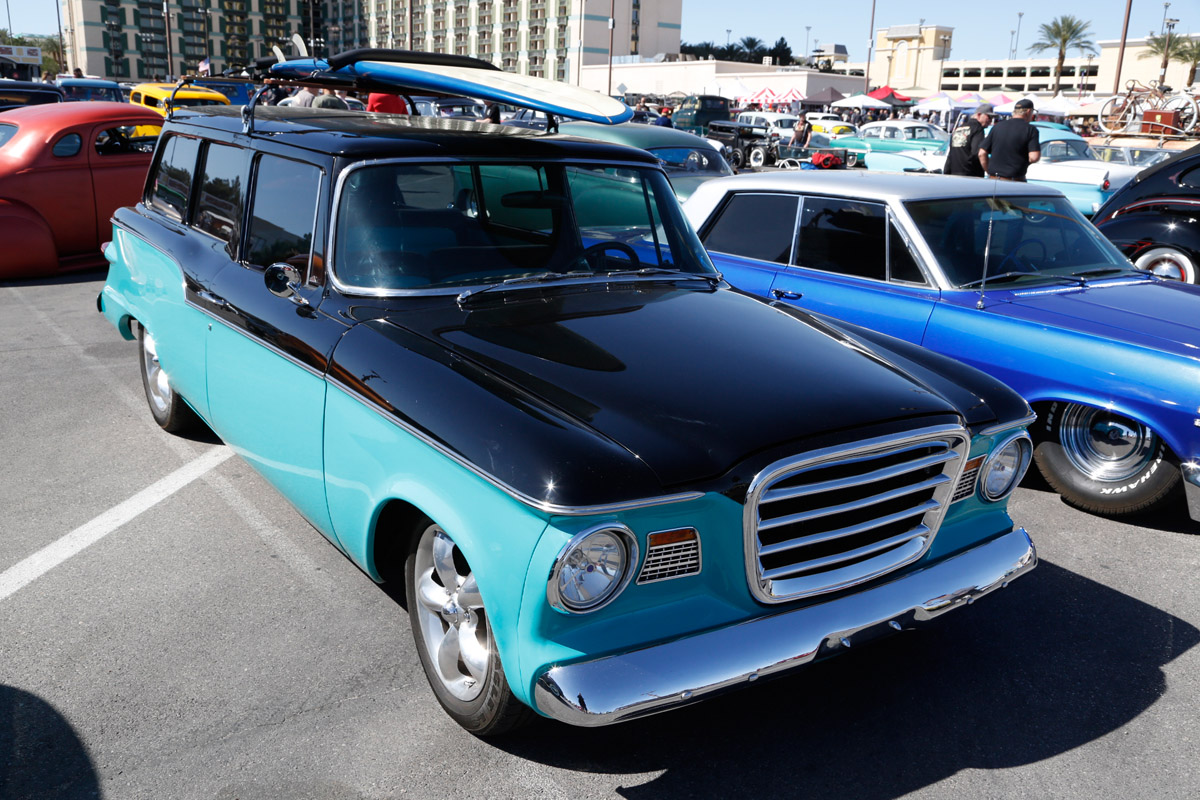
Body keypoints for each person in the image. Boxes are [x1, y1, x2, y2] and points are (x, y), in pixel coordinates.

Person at [979, 98, 1041, 181]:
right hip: (1015, 180)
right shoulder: (1030, 129)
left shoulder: (997, 126)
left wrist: (989, 171)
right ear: (1029, 111)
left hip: (993, 179)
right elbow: (1034, 157)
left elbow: (982, 153)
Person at [945, 103, 993, 178]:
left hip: (954, 173)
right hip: (971, 175)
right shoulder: (977, 128)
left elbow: (951, 154)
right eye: (989, 117)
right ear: (979, 115)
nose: (990, 121)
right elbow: (976, 153)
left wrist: (946, 173)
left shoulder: (959, 128)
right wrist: (987, 168)